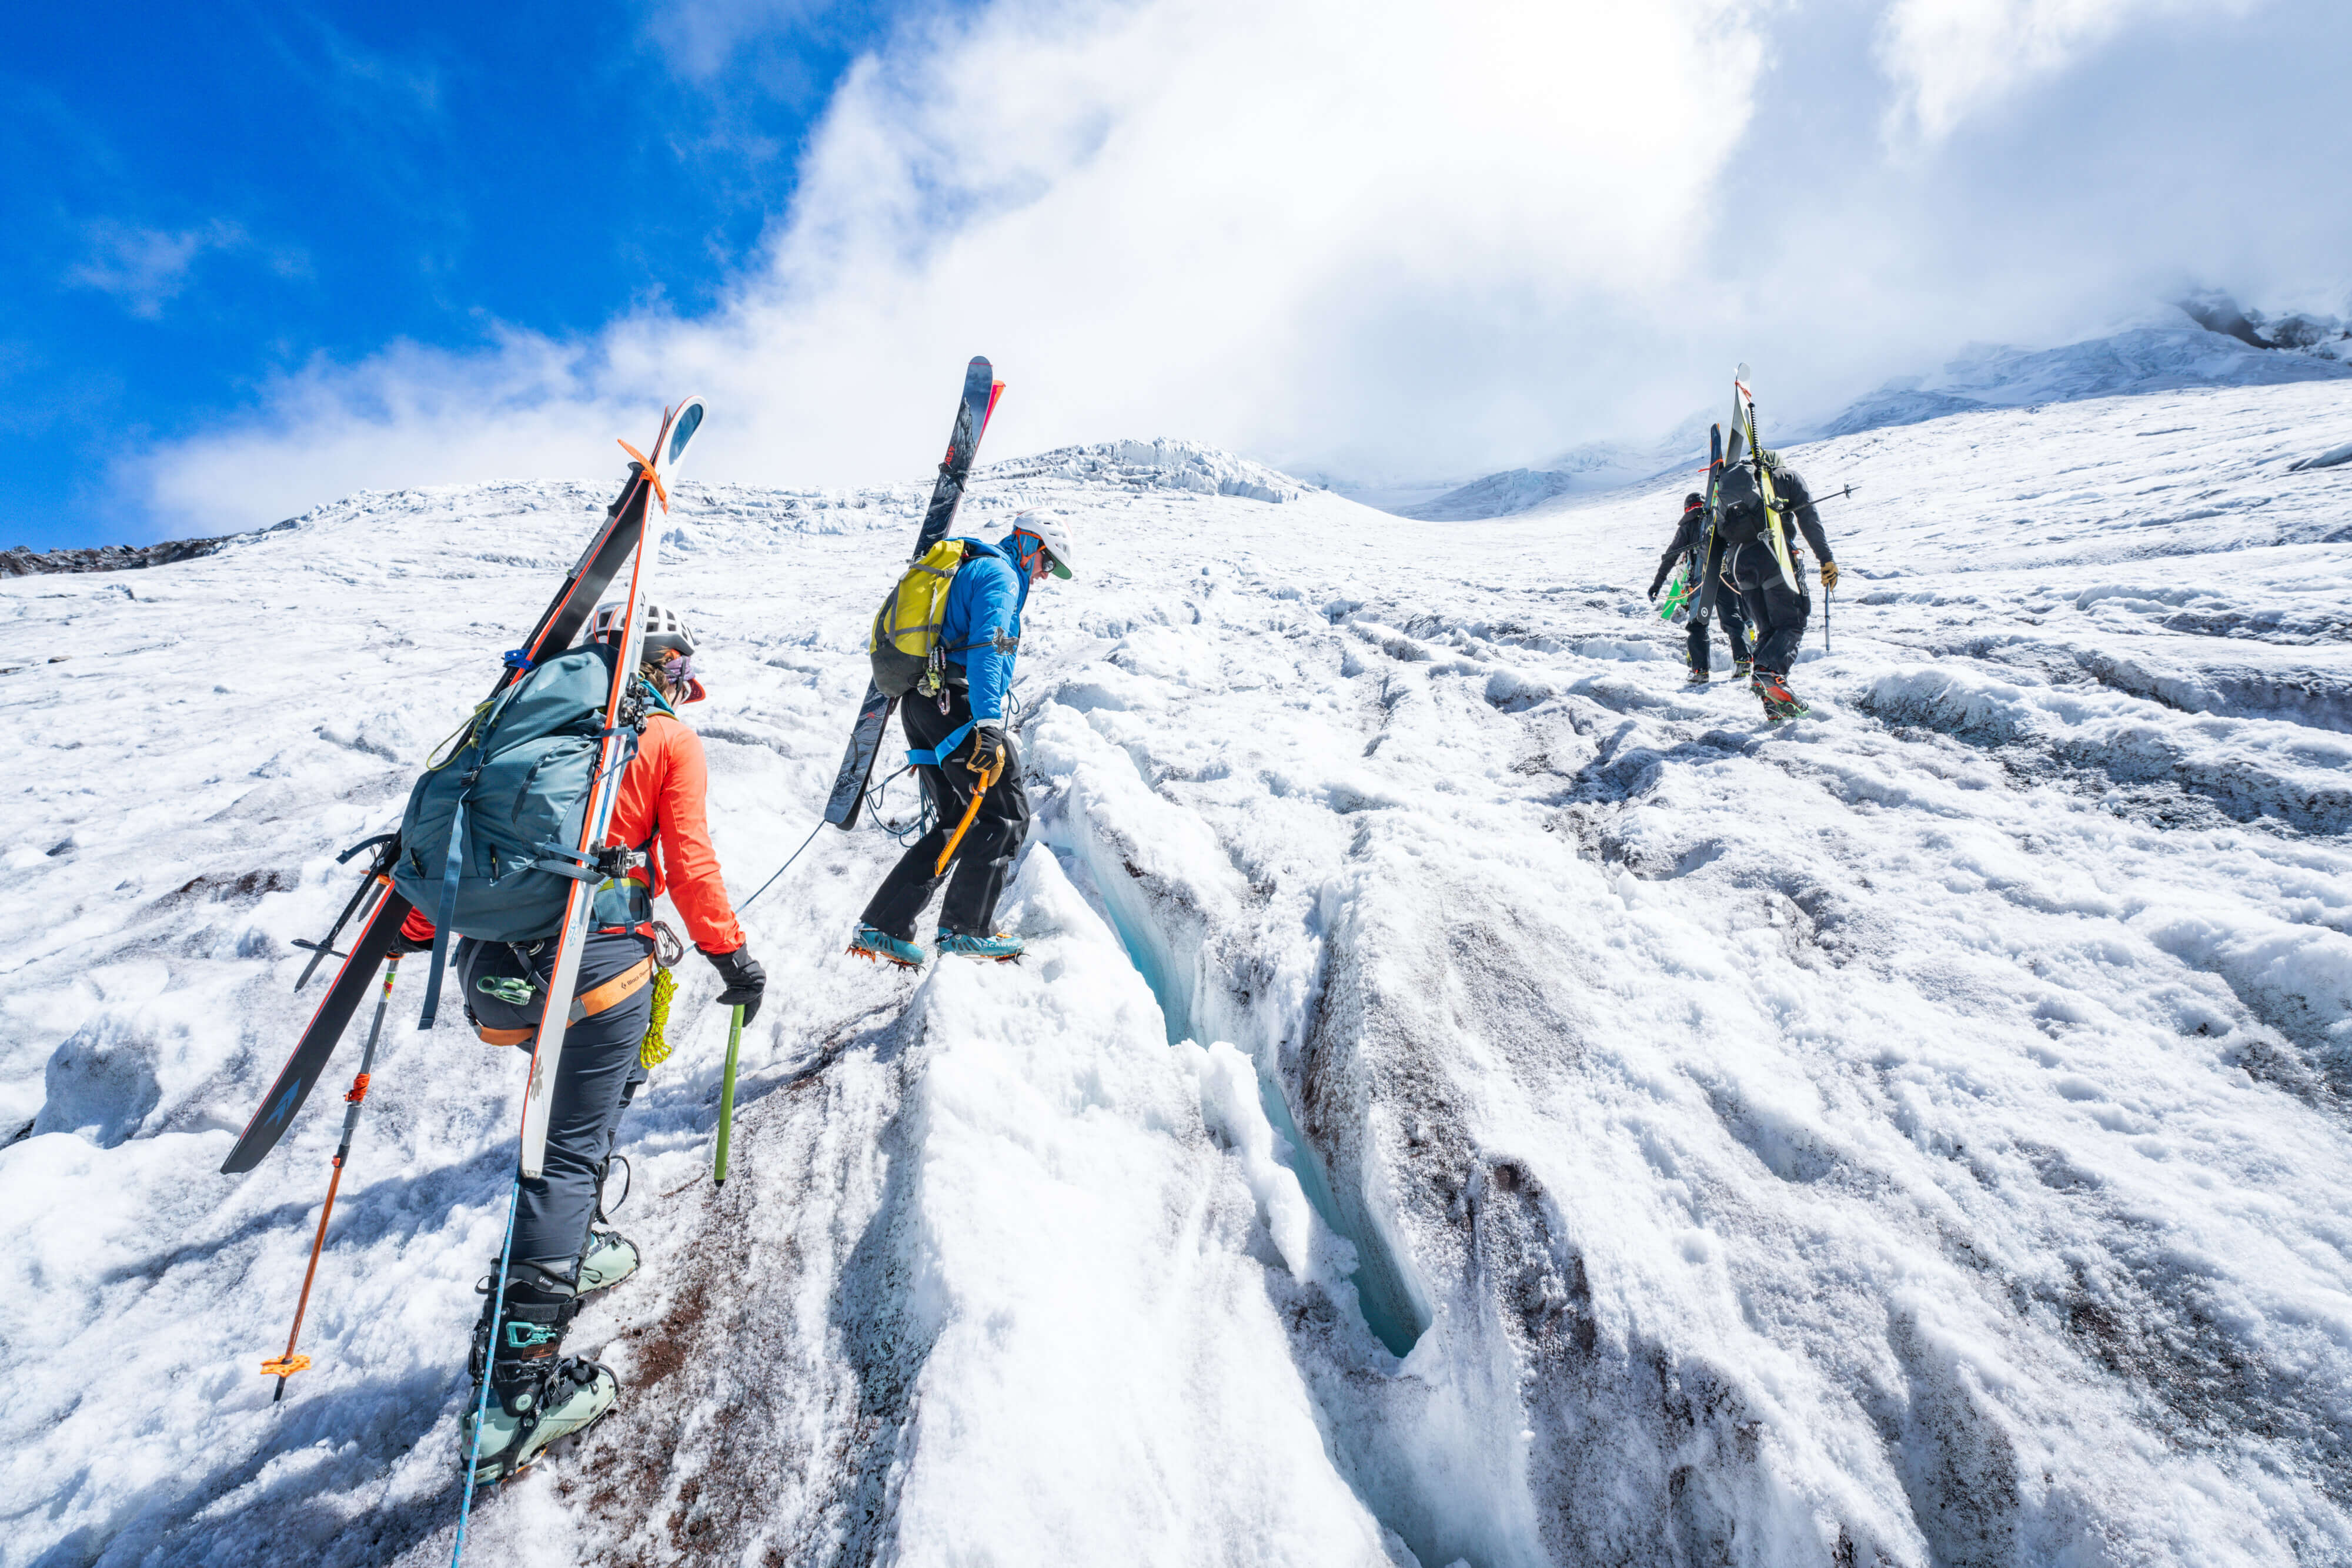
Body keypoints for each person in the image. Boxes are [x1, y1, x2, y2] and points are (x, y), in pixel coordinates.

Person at [392, 599, 767, 1483]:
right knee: (564, 1152)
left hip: (495, 971)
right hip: (598, 968)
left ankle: (579, 1237)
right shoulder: (664, 736)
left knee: (571, 1113)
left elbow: (465, 821)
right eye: (679, 668)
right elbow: (690, 863)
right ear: (668, 662)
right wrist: (733, 956)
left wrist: (417, 918)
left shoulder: (522, 705)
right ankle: (512, 1398)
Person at [850, 513, 1074, 968]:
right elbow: (988, 650)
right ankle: (966, 928)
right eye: (1046, 563)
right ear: (1029, 545)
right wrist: (990, 726)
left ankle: (884, 924)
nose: (1045, 575)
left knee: (956, 821)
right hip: (953, 703)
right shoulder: (1002, 576)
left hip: (924, 705)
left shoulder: (981, 570)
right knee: (1006, 812)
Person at [1718, 450, 1839, 720]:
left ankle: (1773, 702)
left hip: (1741, 568)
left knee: (1768, 630)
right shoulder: (1787, 478)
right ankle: (1770, 674)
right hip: (1775, 559)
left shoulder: (1730, 492)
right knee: (1791, 624)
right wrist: (1826, 560)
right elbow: (1809, 519)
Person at [1645, 490, 1752, 684]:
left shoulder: (1688, 524)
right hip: (1725, 575)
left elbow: (1672, 556)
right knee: (1732, 617)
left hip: (1701, 579)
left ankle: (1700, 671)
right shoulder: (1718, 517)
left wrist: (1657, 583)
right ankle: (1743, 661)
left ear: (1687, 508)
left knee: (1698, 624)